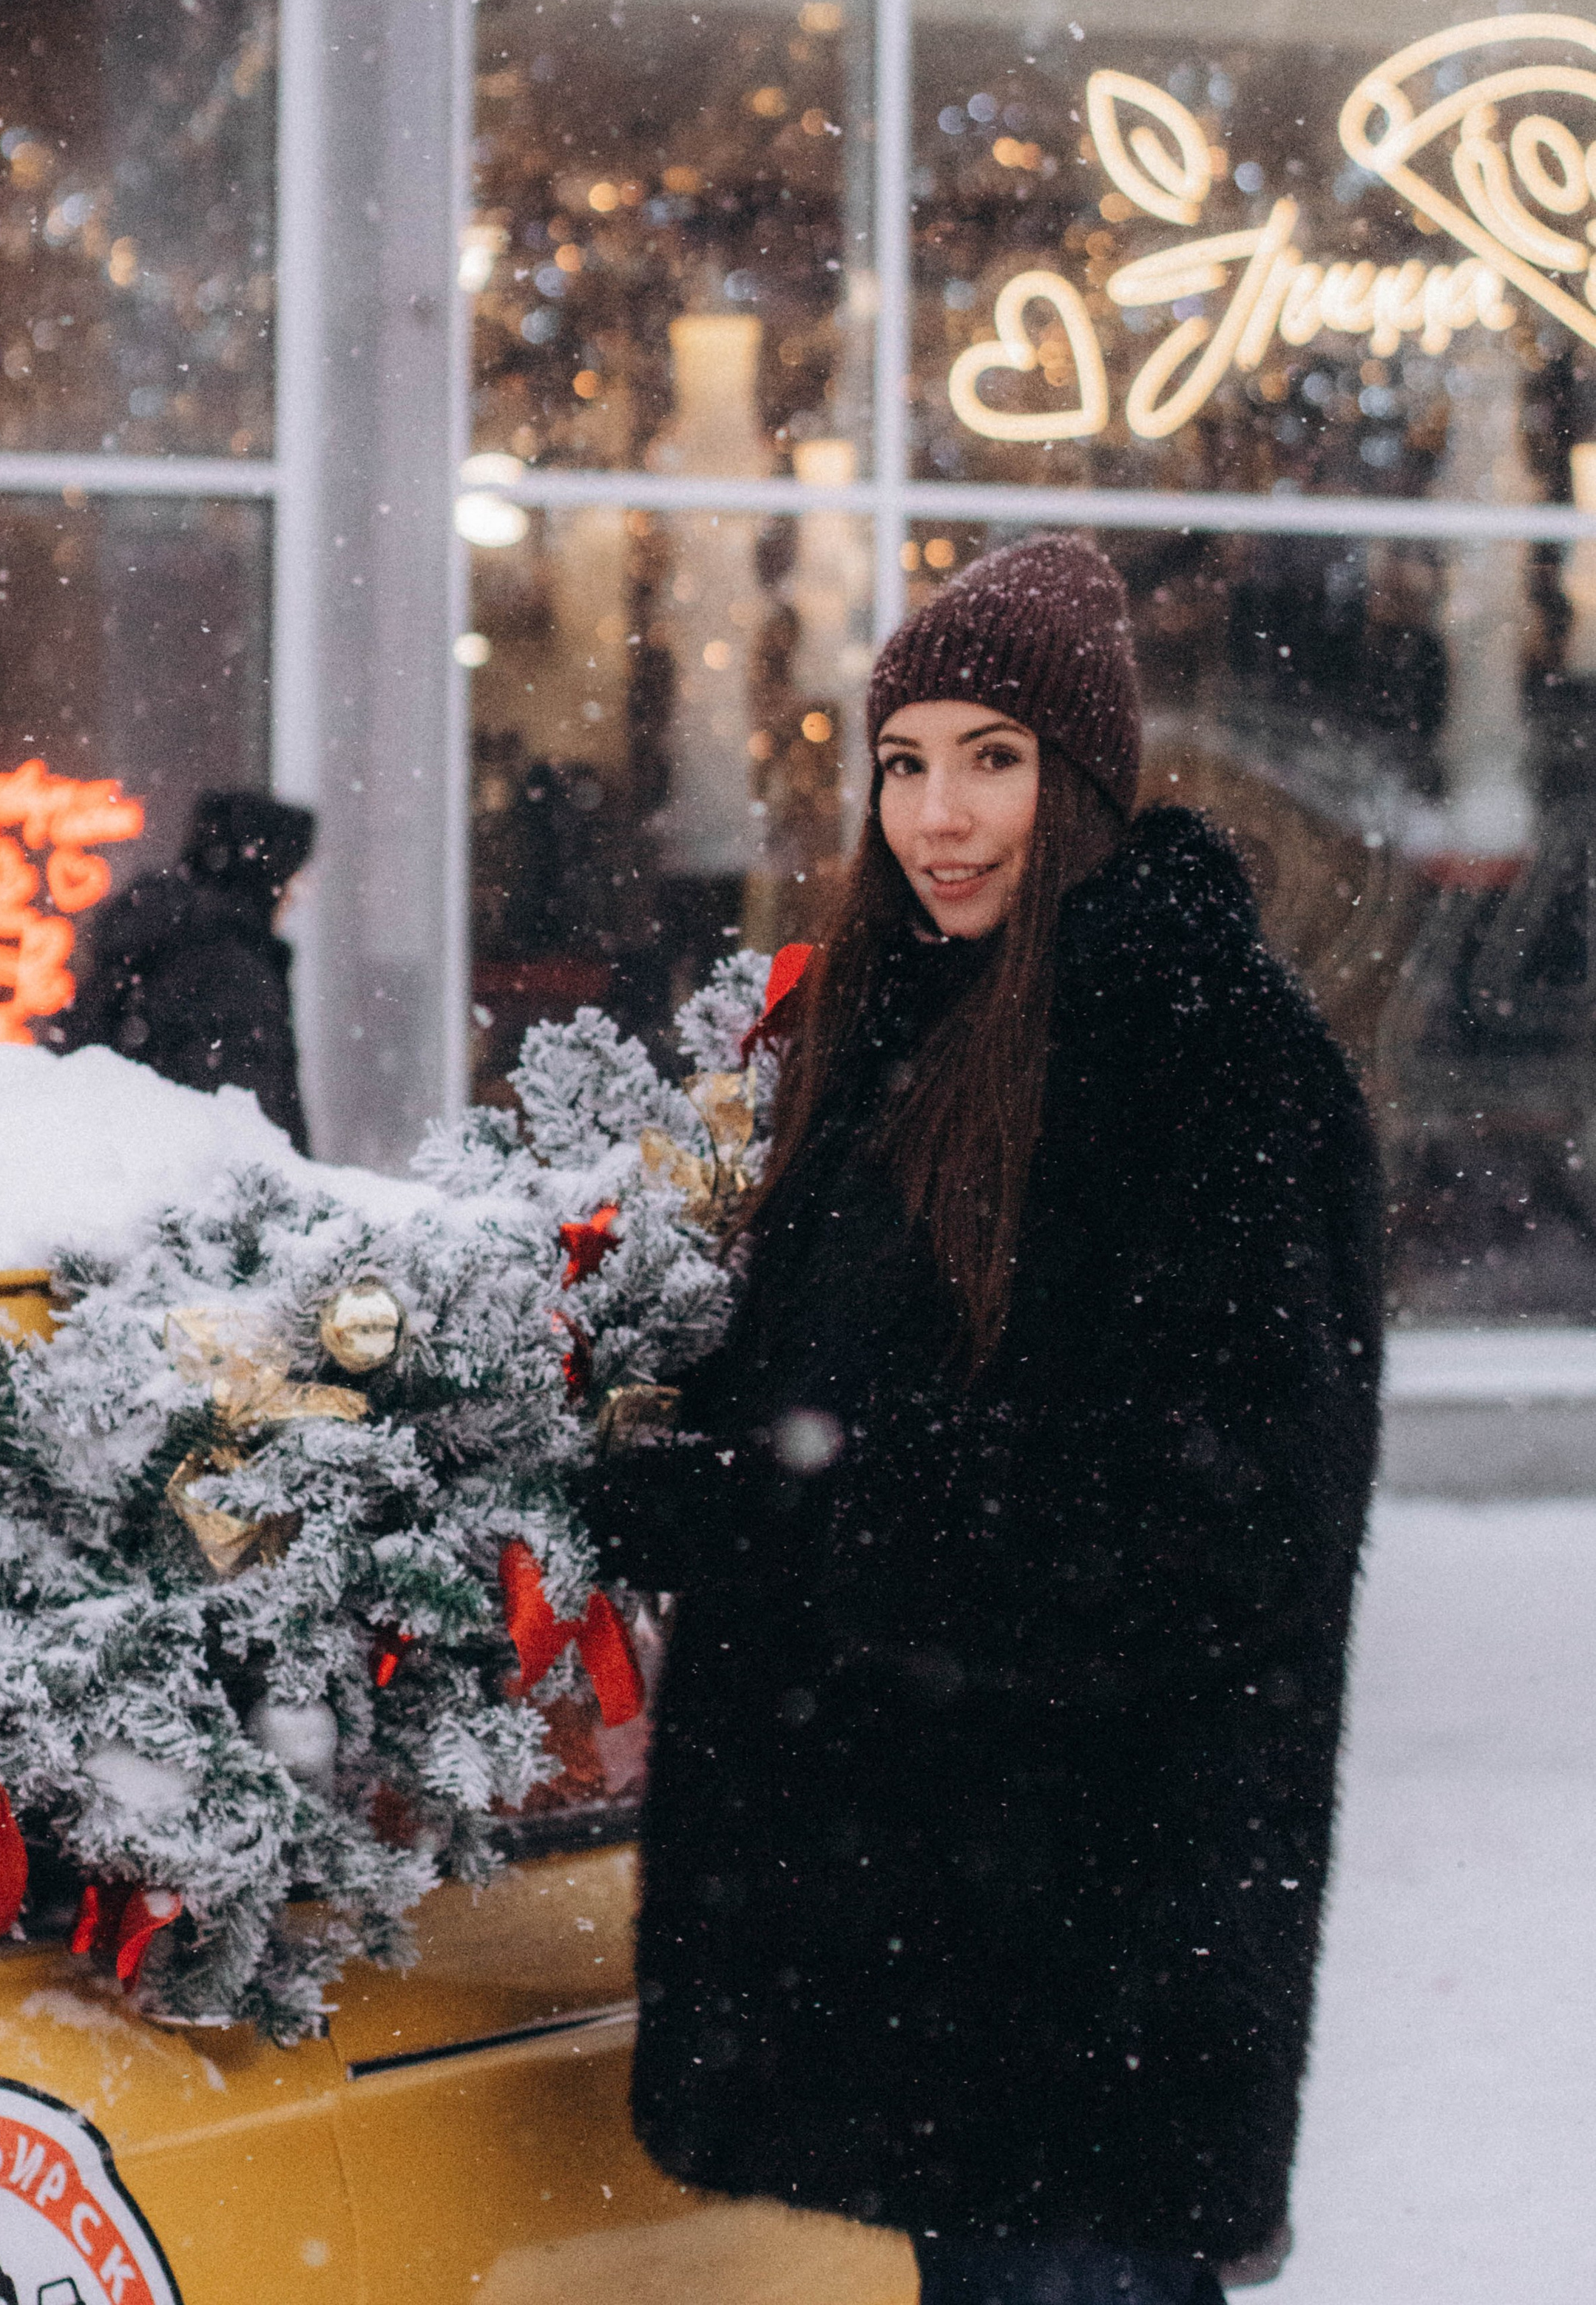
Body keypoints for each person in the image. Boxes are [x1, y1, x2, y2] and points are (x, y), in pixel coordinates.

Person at [586, 537, 1382, 2305]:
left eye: (991, 758)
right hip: (944, 1940)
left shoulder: (1201, 1054)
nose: (936, 815)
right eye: (902, 762)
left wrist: (786, 1514)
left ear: (1082, 777)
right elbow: (864, 1382)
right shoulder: (911, 1035)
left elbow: (1212, 1516)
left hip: (1087, 1953)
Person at [54, 788, 314, 1153]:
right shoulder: (232, 970)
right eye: (295, 877)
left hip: (113, 1177)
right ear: (266, 876)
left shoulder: (152, 941)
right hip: (200, 1196)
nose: (299, 895)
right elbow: (261, 1130)